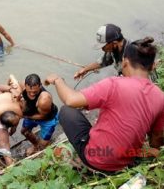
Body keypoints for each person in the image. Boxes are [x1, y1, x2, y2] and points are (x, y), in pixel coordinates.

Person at [44, 37, 164, 172]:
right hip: (127, 158)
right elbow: (157, 138)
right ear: (153, 66)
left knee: (66, 111)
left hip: (97, 159)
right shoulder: (160, 96)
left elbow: (71, 100)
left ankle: (88, 161)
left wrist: (58, 80)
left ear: (124, 63)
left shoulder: (114, 84)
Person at [0, 74, 59, 156]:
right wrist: (17, 96)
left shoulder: (44, 99)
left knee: (42, 146)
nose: (32, 94)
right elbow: (11, 79)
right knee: (24, 132)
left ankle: (40, 147)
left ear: (40, 86)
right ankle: (35, 145)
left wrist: (24, 116)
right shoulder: (22, 84)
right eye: (29, 91)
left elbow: (42, 116)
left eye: (35, 92)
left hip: (47, 118)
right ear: (25, 86)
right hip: (31, 112)